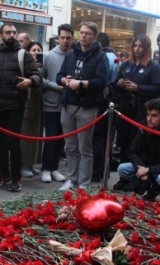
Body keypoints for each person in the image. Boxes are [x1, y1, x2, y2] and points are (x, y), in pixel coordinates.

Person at [0, 23, 42, 191]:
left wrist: (30, 81)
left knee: (14, 144)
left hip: (15, 107)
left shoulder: (23, 55)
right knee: (1, 144)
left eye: (14, 32)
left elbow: (38, 77)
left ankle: (16, 178)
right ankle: (4, 175)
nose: (11, 35)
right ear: (1, 35)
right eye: (8, 32)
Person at [56, 21, 109, 190]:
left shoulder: (101, 56)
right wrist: (64, 80)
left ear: (94, 36)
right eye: (82, 32)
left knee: (85, 148)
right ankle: (71, 178)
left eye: (88, 33)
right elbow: (59, 75)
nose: (83, 36)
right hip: (68, 105)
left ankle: (84, 183)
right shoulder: (71, 54)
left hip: (87, 107)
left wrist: (80, 84)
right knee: (70, 147)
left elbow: (102, 81)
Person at [113, 34, 160, 191]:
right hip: (124, 110)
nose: (137, 49)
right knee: (123, 144)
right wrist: (119, 84)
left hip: (141, 111)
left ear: (146, 48)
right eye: (135, 46)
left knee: (136, 147)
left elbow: (158, 88)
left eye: (140, 46)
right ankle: (123, 177)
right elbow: (114, 83)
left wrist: (138, 88)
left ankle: (136, 179)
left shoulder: (153, 67)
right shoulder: (126, 65)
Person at [117, 98, 160, 206]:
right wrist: (140, 168)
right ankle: (151, 188)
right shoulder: (144, 129)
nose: (149, 119)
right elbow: (132, 151)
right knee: (122, 169)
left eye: (154, 116)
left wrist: (148, 170)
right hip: (149, 166)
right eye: (148, 115)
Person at [39, 23, 73, 183]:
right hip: (51, 103)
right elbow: (40, 78)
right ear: (58, 38)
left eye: (68, 38)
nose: (65, 41)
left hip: (68, 104)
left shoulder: (74, 56)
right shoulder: (48, 56)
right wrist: (55, 86)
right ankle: (46, 168)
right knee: (51, 137)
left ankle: (54, 167)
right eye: (62, 37)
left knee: (61, 138)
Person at [92, 32, 117, 182]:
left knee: (97, 137)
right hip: (111, 100)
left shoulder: (102, 57)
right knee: (105, 138)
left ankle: (97, 172)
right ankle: (103, 170)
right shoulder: (115, 58)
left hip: (101, 100)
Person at [20, 41, 44, 178]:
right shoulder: (24, 65)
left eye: (38, 50)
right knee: (26, 134)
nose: (36, 52)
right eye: (33, 50)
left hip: (38, 103)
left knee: (37, 134)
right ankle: (23, 164)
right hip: (27, 103)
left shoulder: (41, 66)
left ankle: (31, 163)